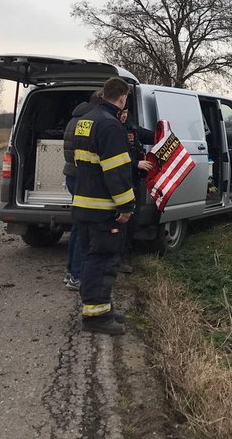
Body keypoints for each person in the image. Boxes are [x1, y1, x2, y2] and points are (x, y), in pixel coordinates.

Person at [72, 77, 136, 335]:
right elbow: (116, 172)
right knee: (103, 261)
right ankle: (96, 318)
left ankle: (101, 308)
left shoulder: (86, 121)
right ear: (122, 98)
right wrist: (126, 206)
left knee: (92, 258)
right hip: (103, 208)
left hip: (85, 202)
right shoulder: (111, 126)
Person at [61, 90, 102, 290]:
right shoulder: (88, 122)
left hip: (71, 176)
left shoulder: (74, 120)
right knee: (83, 227)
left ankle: (71, 271)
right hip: (81, 178)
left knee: (77, 226)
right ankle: (77, 275)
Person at [117, 107, 155, 273]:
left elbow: (154, 136)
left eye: (126, 111)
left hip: (133, 180)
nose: (124, 115)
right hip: (120, 180)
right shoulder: (111, 129)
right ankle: (118, 258)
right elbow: (116, 155)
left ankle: (125, 255)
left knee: (133, 220)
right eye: (121, 112)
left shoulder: (133, 129)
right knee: (121, 221)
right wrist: (136, 163)